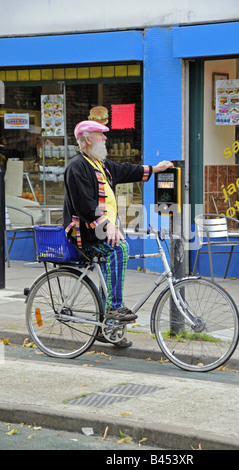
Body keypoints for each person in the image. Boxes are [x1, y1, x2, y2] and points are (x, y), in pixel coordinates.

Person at [63, 120, 173, 348]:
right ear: (87, 139)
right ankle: (114, 307)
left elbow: (125, 170)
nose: (105, 138)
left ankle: (105, 329)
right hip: (85, 232)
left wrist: (155, 169)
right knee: (119, 248)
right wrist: (107, 225)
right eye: (101, 134)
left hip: (100, 229)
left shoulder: (99, 164)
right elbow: (84, 205)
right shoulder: (77, 166)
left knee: (110, 267)